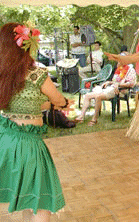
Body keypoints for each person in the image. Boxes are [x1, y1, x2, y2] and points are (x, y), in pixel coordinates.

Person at [0, 23, 71, 222]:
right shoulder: (36, 74)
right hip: (28, 147)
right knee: (40, 204)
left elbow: (27, 101)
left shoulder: (3, 74)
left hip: (4, 139)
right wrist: (63, 102)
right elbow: (57, 99)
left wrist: (50, 104)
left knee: (27, 199)